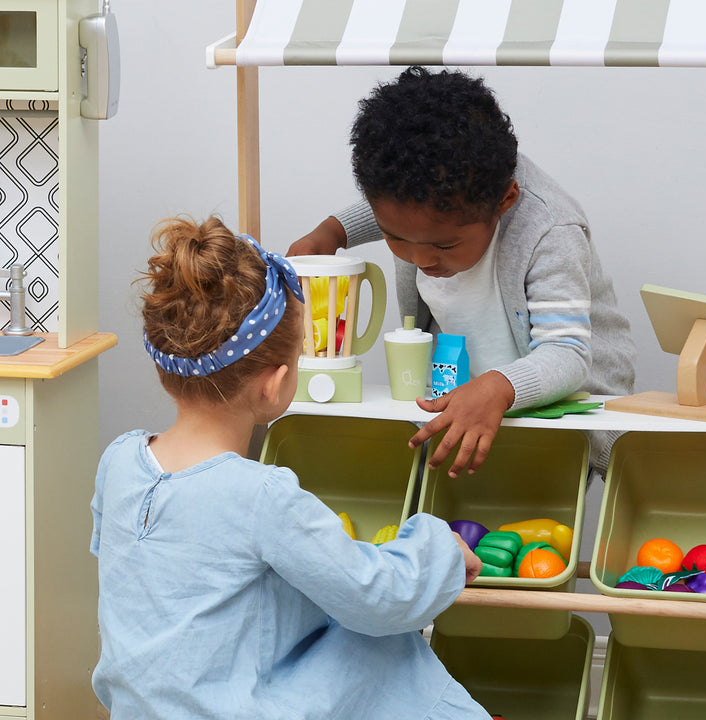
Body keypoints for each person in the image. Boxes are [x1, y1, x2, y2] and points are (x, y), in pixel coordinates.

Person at [89, 215, 492, 719]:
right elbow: (375, 596)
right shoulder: (261, 495)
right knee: (381, 646)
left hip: (139, 709)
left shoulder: (119, 461)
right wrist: (440, 552)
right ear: (275, 384)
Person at [289, 66, 635, 478]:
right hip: (471, 391)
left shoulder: (549, 229)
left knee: (538, 502)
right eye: (394, 237)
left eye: (444, 245)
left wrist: (496, 386)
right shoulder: (425, 201)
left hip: (567, 405)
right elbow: (400, 212)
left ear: (505, 200)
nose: (420, 260)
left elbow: (567, 353)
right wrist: (333, 231)